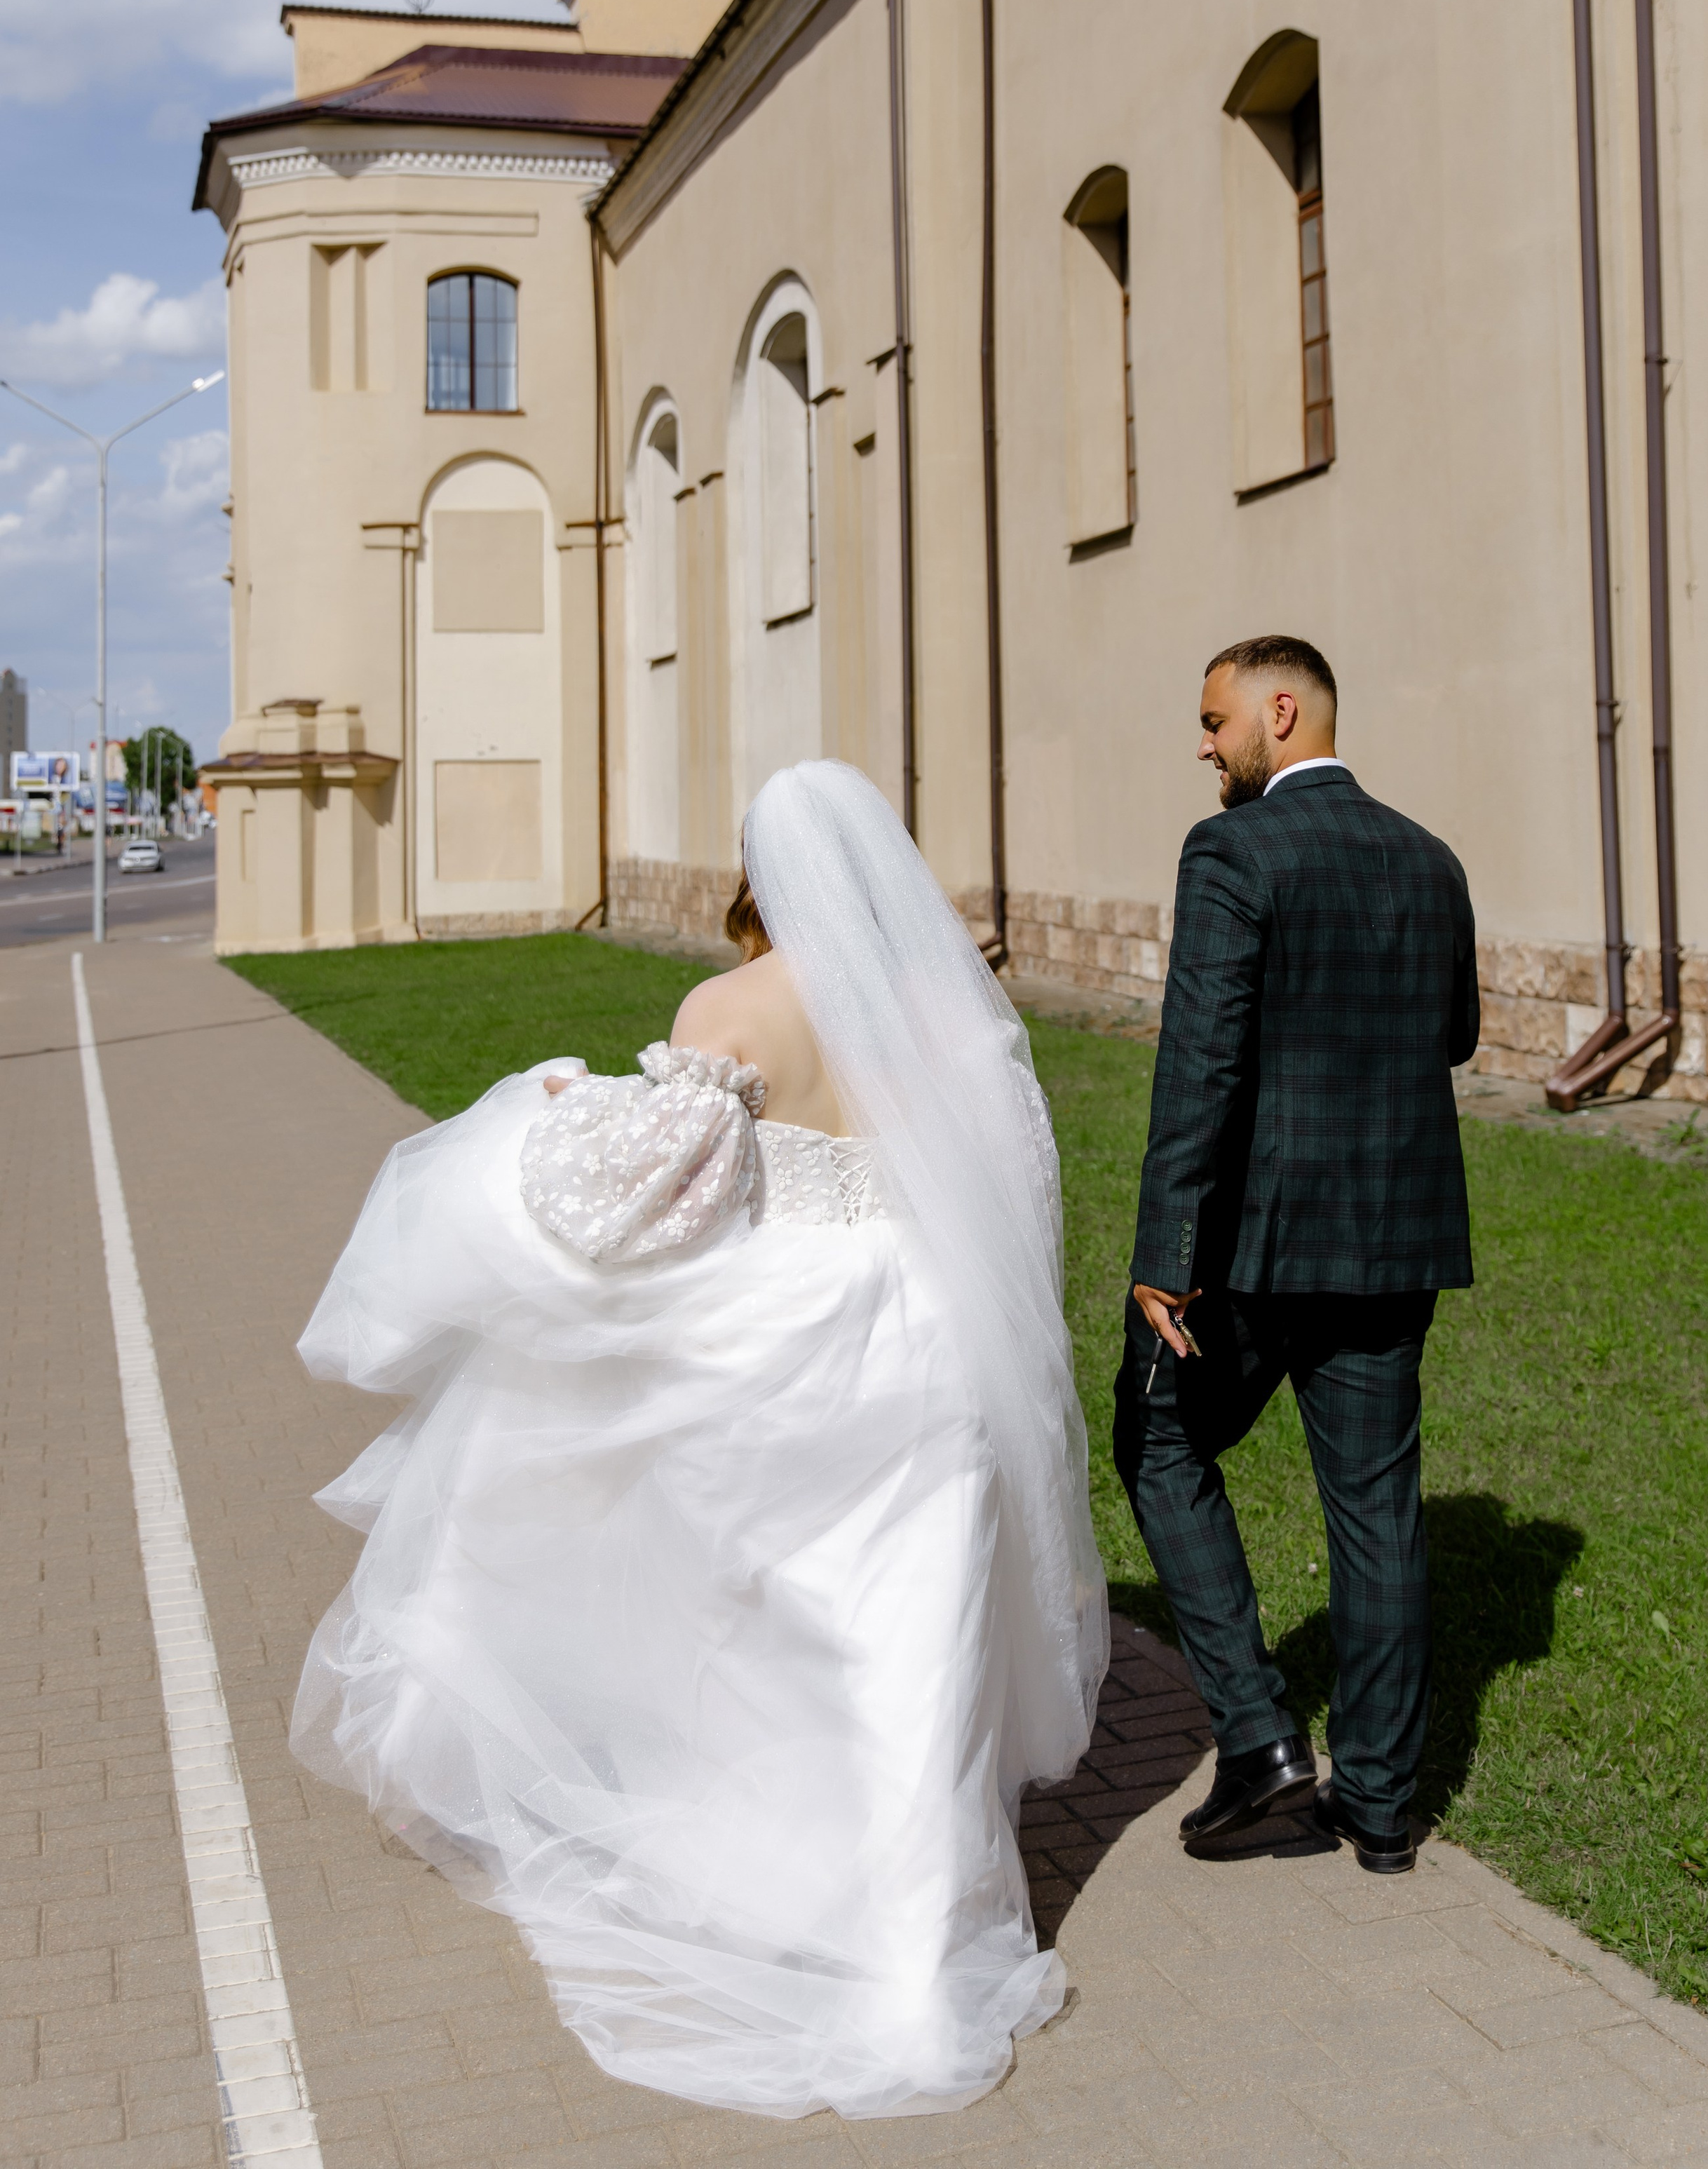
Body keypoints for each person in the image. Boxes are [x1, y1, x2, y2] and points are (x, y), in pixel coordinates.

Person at [292, 758, 1107, 2120]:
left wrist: (557, 1118)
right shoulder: (954, 1013)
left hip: (781, 1342)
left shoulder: (727, 1006)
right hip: (923, 1338)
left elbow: (663, 1204)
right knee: (915, 1646)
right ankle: (916, 1962)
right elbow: (1017, 1192)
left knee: (759, 1632)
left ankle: (770, 1881)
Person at [1114, 637, 1477, 1875]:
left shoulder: (1231, 850)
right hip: (1398, 1234)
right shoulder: (1431, 859)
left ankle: (1262, 1738)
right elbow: (1459, 1033)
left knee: (1155, 1437)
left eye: (1215, 721)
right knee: (1378, 1512)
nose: (1204, 746)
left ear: (1283, 710)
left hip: (1257, 1248)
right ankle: (1379, 1809)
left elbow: (1200, 1058)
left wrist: (1165, 1251)